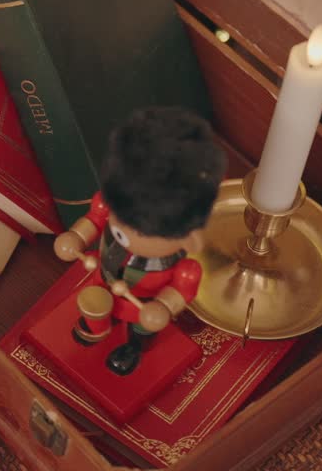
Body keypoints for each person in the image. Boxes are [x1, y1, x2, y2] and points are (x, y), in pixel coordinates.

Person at [53, 107, 226, 375]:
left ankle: (134, 347)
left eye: (142, 232)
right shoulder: (112, 206)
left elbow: (180, 291)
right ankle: (98, 326)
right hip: (103, 278)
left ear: (189, 240)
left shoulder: (184, 266)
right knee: (94, 303)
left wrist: (164, 306)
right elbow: (95, 219)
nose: (126, 233)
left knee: (143, 329)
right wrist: (76, 236)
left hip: (143, 305)